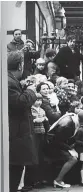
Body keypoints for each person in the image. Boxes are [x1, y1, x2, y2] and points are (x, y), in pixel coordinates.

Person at [8, 51, 38, 192]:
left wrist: (23, 86)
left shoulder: (11, 80)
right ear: (20, 65)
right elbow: (20, 103)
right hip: (17, 133)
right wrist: (31, 91)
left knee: (17, 167)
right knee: (15, 168)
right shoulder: (9, 82)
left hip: (17, 133)